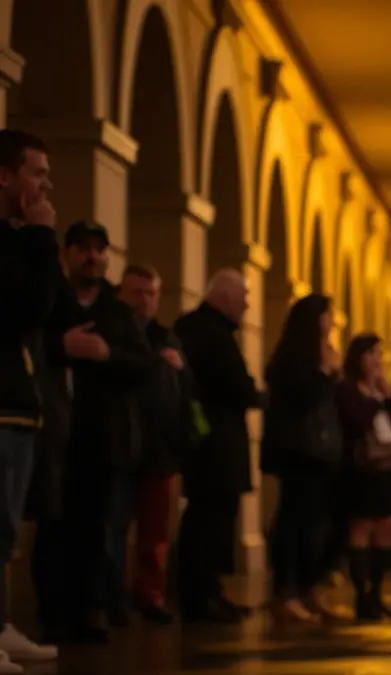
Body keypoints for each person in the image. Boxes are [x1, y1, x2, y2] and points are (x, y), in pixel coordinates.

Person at [58, 221, 154, 641]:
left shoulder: (117, 314)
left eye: (100, 249)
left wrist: (106, 353)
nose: (93, 256)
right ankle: (56, 611)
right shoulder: (54, 301)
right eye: (83, 248)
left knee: (101, 528)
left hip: (107, 440)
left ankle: (94, 609)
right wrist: (61, 347)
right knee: (57, 527)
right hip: (59, 436)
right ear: (68, 255)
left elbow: (142, 365)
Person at [0, 129, 62, 669]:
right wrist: (42, 237)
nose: (46, 185)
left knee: (5, 529)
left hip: (19, 403)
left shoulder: (17, 237)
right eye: (36, 172)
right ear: (5, 174)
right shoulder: (16, 240)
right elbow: (30, 306)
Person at [174, 269, 263, 623]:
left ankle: (209, 592)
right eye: (243, 298)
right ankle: (199, 596)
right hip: (214, 445)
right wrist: (254, 393)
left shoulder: (199, 328)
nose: (247, 306)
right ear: (225, 297)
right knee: (207, 521)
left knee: (213, 519)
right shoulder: (209, 333)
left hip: (214, 443)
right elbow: (236, 386)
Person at [117, 264, 195, 624]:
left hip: (161, 448)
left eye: (151, 294)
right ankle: (112, 596)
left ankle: (150, 594)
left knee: (156, 531)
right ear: (122, 294)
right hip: (119, 444)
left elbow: (185, 394)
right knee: (113, 526)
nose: (144, 300)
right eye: (137, 292)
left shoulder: (168, 339)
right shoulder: (115, 331)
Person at [261, 294, 343, 624]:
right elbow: (303, 400)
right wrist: (325, 372)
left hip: (321, 453)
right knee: (294, 523)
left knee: (316, 524)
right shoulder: (292, 358)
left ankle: (310, 590)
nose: (332, 321)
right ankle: (286, 593)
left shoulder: (320, 353)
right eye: (328, 315)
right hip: (298, 453)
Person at [336, 333, 391, 620]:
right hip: (359, 468)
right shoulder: (347, 389)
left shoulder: (381, 389)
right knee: (362, 527)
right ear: (357, 358)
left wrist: (387, 396)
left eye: (379, 354)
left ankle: (376, 593)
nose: (376, 360)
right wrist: (376, 402)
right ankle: (361, 596)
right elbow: (356, 421)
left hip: (385, 468)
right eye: (371, 354)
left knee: (389, 524)